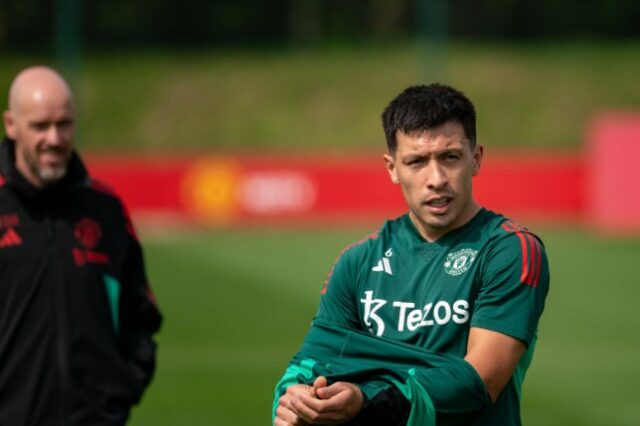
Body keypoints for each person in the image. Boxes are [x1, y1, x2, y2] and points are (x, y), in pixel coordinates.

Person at [273, 84, 550, 425]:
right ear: (392, 168)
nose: (436, 179)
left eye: (450, 157)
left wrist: (367, 399)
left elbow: (482, 380)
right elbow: (310, 364)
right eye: (417, 161)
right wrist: (293, 399)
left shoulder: (510, 250)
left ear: (475, 159)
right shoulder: (358, 261)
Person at [0, 66, 162, 425]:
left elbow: (141, 316)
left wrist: (120, 392)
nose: (55, 138)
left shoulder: (105, 208)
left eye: (65, 124)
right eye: (40, 126)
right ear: (11, 125)